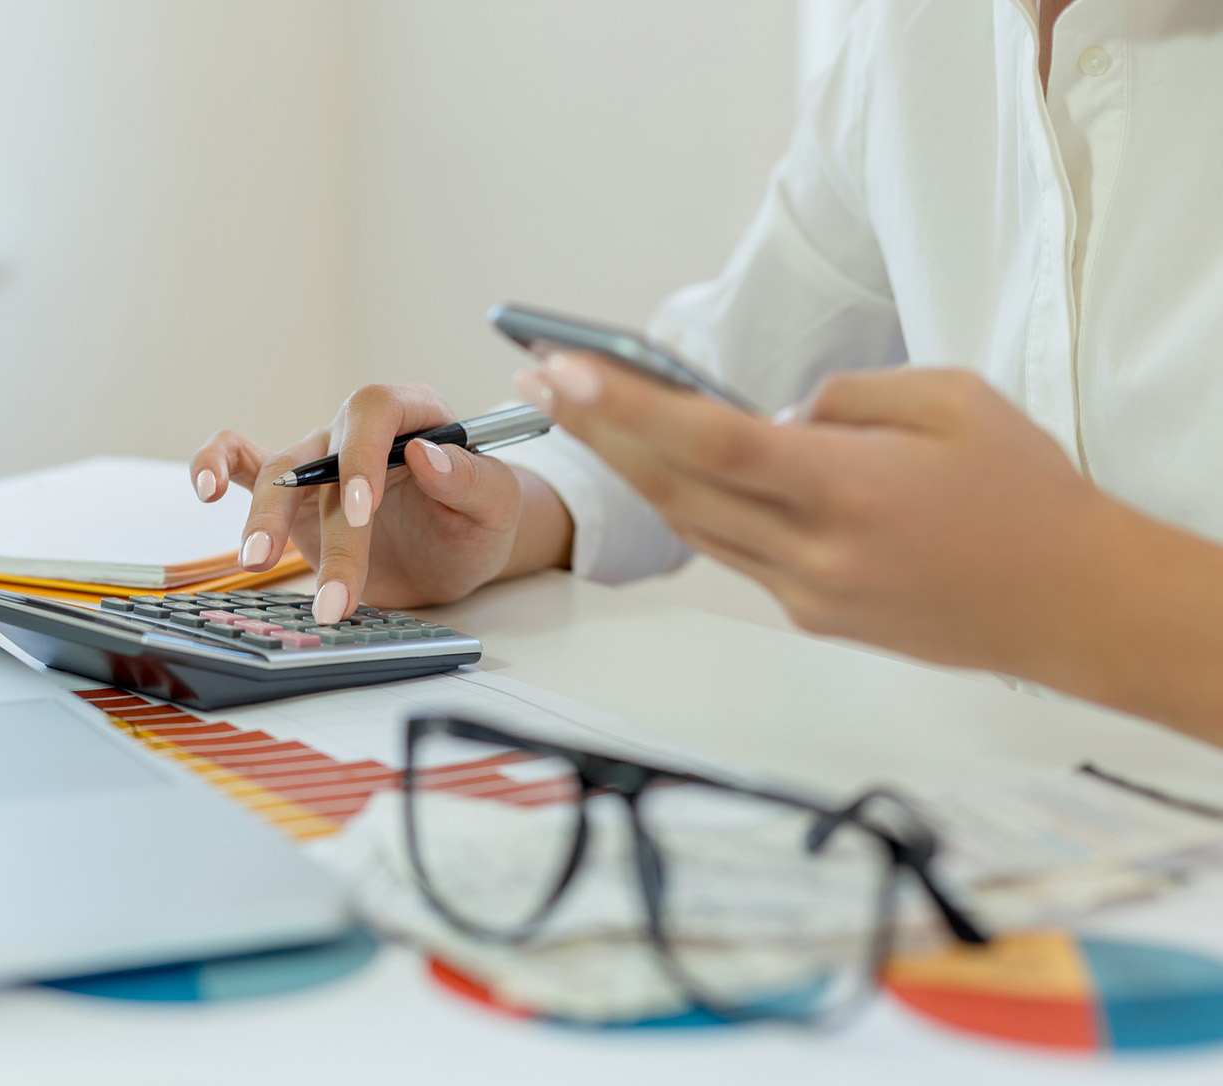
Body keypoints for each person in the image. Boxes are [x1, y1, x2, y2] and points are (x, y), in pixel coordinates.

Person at [187, 0, 1223, 747]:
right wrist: (497, 515)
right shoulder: (918, 40)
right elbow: (719, 383)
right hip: (1035, 849)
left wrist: (1062, 588)